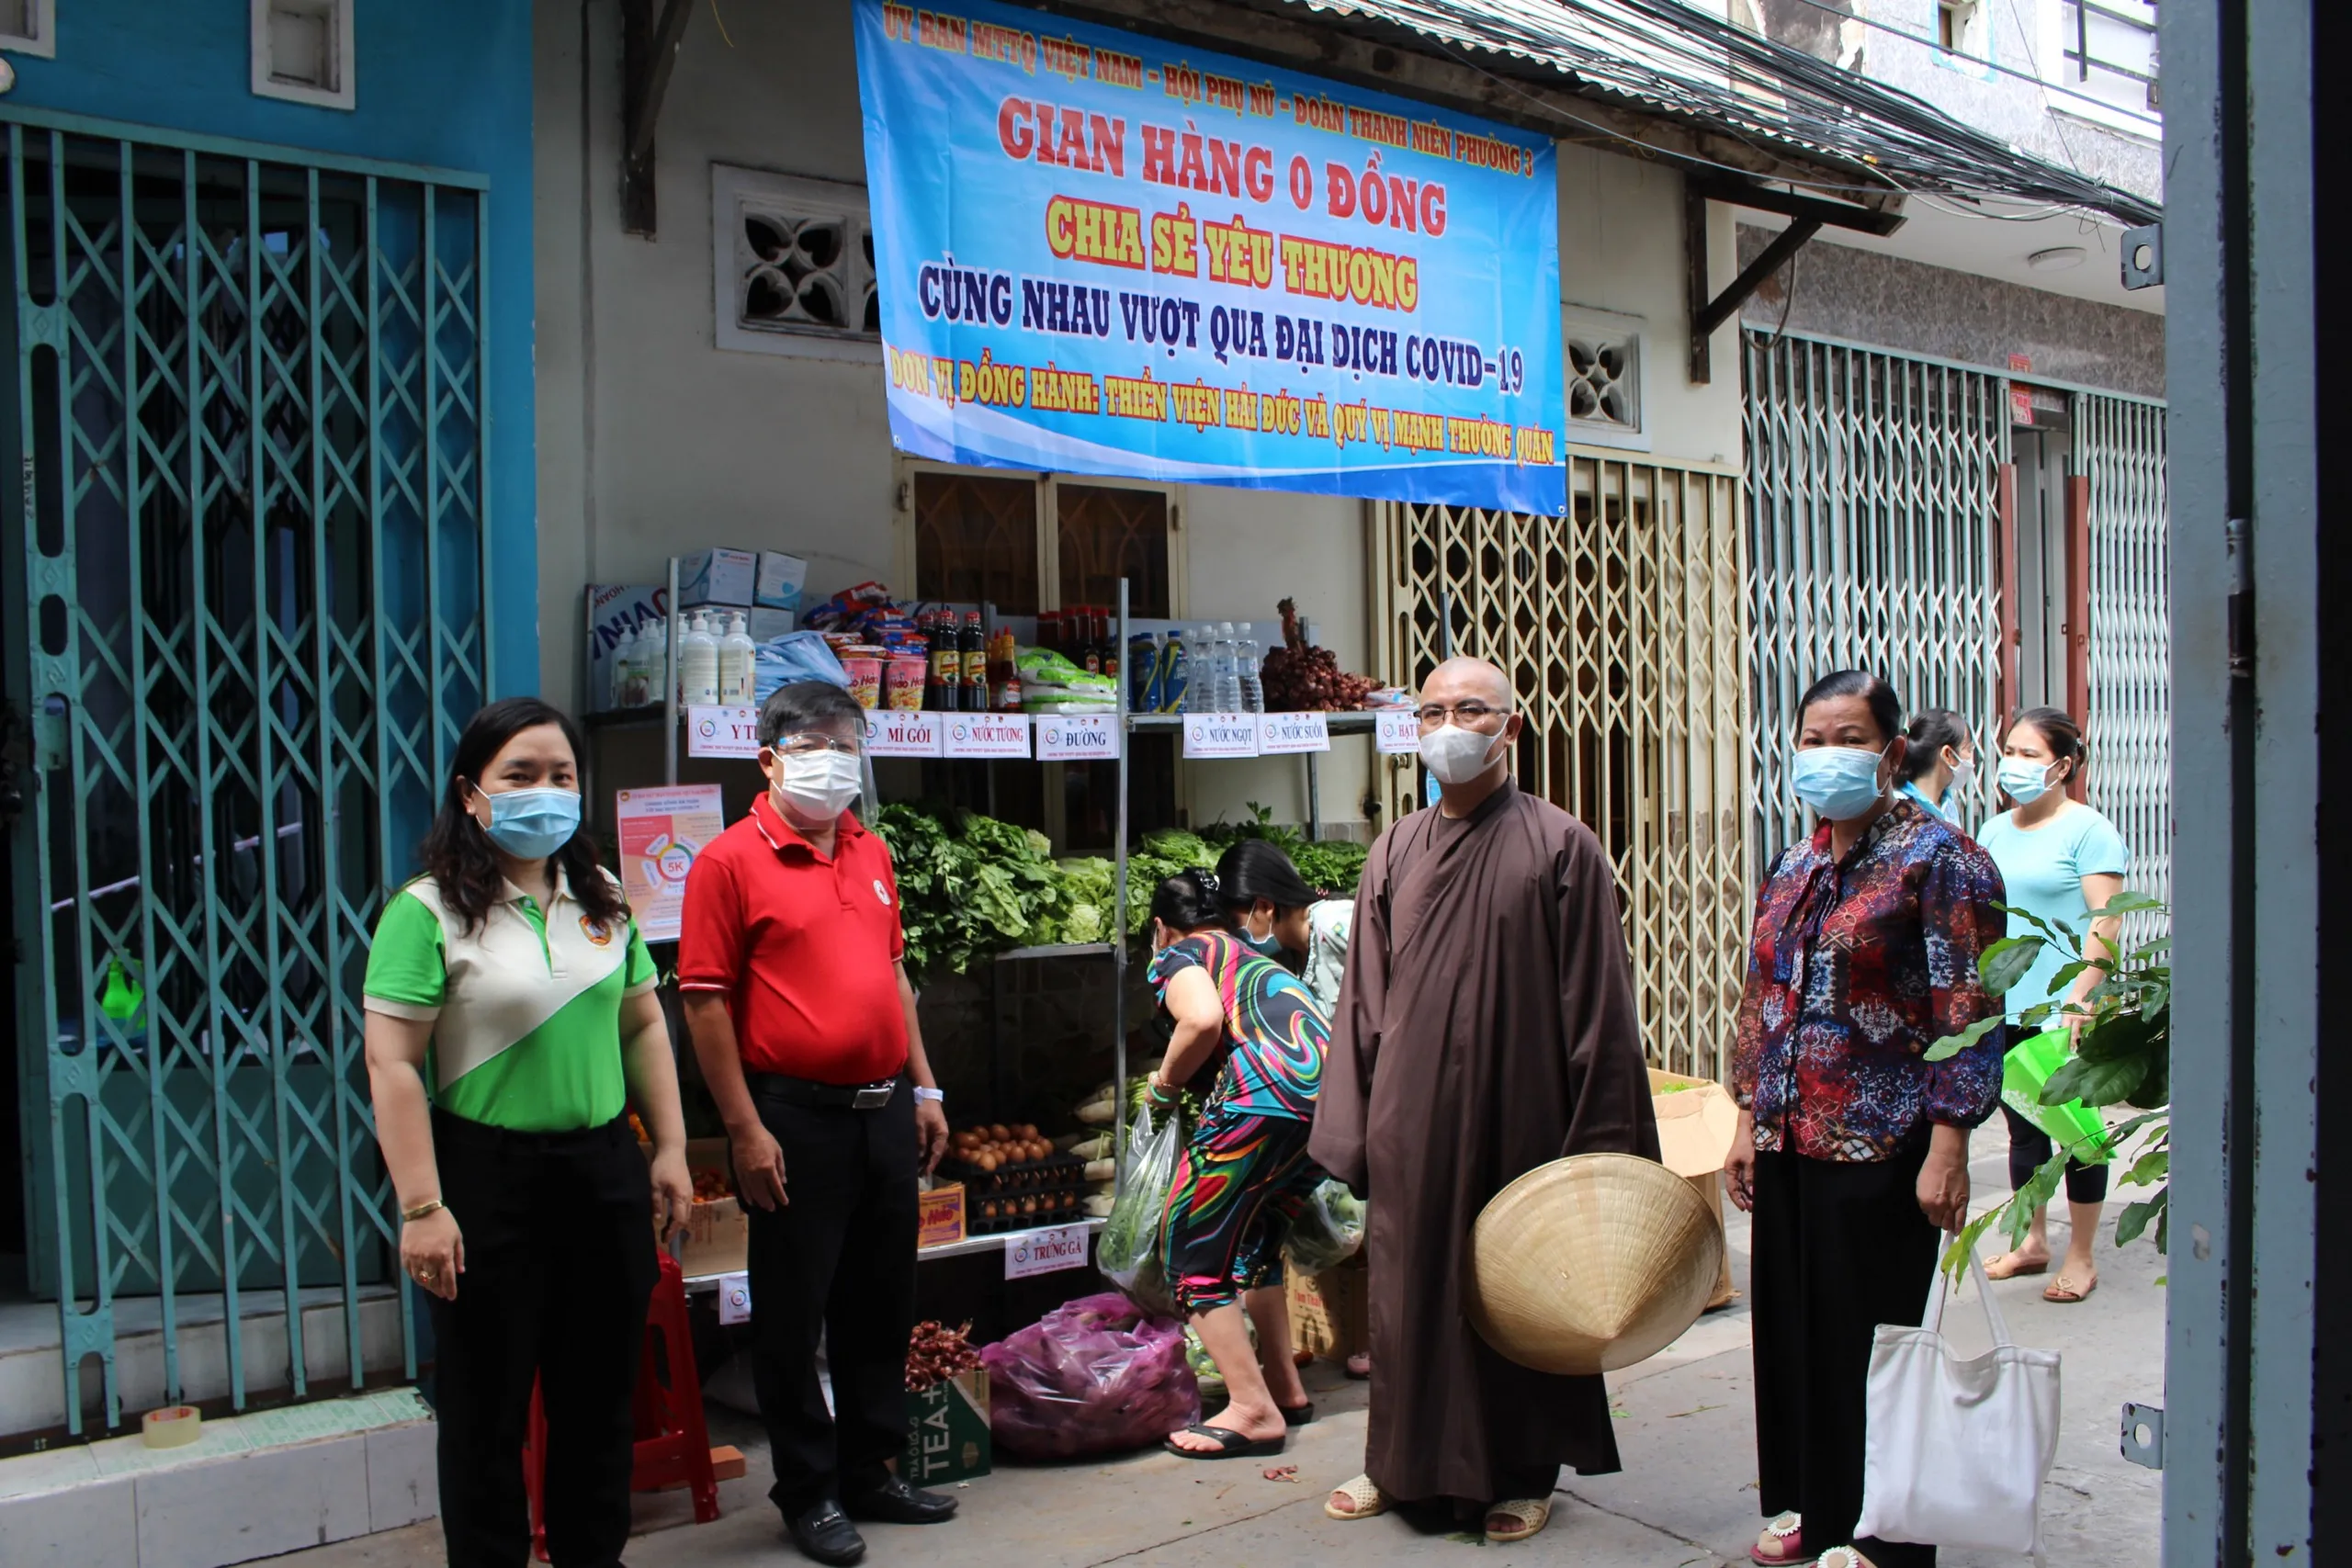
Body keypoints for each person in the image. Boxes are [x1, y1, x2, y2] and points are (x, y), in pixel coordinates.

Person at [1311, 656, 1660, 1547]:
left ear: (1509, 726)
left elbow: (1599, 1005)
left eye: (1470, 709)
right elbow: (1363, 1002)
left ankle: (1525, 1470)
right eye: (1430, 712)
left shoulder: (1559, 845)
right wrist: (1355, 1130)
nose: (1448, 726)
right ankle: (1401, 1464)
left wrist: (1602, 1148)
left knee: (1519, 1290)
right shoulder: (1392, 849)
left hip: (1524, 1116)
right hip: (1412, 1123)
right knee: (1411, 1293)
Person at [364, 697, 695, 1568]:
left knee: (598, 1405)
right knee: (486, 1415)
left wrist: (667, 1148)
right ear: (473, 793)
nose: (544, 792)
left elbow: (644, 1025)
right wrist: (421, 1206)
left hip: (602, 1171)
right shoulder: (427, 911)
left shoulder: (605, 897)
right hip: (485, 1179)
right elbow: (392, 1065)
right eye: (520, 775)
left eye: (561, 775)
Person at [1725, 671, 2008, 1568]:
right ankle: (1814, 1508)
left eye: (1848, 737)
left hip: (1884, 1144)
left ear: (1890, 752)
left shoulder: (1940, 860)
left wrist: (1951, 1144)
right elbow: (1762, 992)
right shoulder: (1796, 860)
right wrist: (1743, 1120)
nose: (1825, 754)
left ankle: (1883, 1532)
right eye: (1812, 737)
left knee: (1872, 1336)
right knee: (1795, 1330)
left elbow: (1967, 1008)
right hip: (1788, 1134)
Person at [676, 682, 956, 1567]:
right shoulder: (728, 861)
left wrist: (926, 1086)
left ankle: (870, 1466)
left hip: (881, 1112)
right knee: (794, 1315)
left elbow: (896, 979)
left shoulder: (871, 851)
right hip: (793, 1116)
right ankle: (807, 1489)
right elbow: (705, 1005)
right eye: (814, 744)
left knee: (882, 1301)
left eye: (848, 743)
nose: (835, 759)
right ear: (769, 759)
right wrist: (745, 1130)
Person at [1145, 869, 1329, 1459]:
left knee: (1189, 1247)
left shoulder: (1180, 956)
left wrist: (1164, 1088)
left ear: (1159, 928)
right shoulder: (1253, 956)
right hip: (1328, 1107)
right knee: (1255, 1242)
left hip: (1260, 1099)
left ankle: (1251, 1409)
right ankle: (1284, 1389)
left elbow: (1200, 1020)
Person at [1976, 706, 2130, 1303]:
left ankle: (2083, 1256)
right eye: (2008, 750)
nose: (2012, 764)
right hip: (2007, 1008)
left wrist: (2082, 997)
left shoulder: (2088, 830)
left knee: (2076, 1133)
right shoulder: (1993, 830)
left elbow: (2107, 921)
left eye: (2028, 754)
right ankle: (2031, 1241)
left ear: (2062, 765)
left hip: (2065, 1008)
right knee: (2024, 1129)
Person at [1211, 840, 1368, 1376]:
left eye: (1240, 917)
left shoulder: (1340, 924)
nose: (1240, 932)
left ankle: (1395, 1345)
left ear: (1264, 906)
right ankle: (1365, 1338)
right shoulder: (1295, 955)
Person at [1212, 839, 1356, 1018]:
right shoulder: (1289, 957)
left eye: (1235, 923)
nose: (1236, 935)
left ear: (1265, 907)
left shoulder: (1335, 925)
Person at [1894, 707, 1975, 826]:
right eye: (1968, 749)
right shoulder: (1897, 807)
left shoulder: (1948, 806)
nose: (1970, 757)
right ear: (1948, 755)